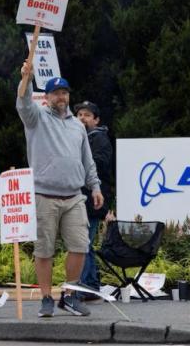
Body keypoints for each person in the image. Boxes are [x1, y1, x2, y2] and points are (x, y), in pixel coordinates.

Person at [16, 62, 103, 318]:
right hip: (44, 195)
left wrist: (95, 186)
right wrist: (26, 78)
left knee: (79, 246)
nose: (61, 96)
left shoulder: (78, 125)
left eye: (64, 92)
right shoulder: (36, 118)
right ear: (48, 97)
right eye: (56, 93)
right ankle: (45, 298)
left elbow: (87, 160)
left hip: (75, 196)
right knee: (44, 250)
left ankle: (69, 295)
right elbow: (23, 102)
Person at [74, 101, 113, 300]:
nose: (82, 118)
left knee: (84, 243)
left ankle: (88, 285)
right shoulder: (79, 138)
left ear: (96, 120)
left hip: (92, 201)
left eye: (87, 115)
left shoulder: (99, 139)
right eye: (79, 114)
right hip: (81, 200)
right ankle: (90, 283)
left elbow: (97, 166)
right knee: (83, 243)